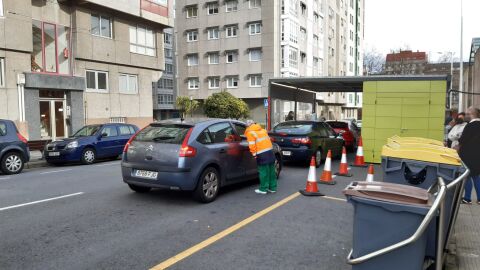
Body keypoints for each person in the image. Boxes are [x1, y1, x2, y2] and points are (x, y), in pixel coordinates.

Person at [244, 120, 277, 194]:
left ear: (248, 126)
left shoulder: (250, 133)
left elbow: (252, 145)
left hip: (261, 153)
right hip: (270, 151)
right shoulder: (263, 130)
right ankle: (272, 188)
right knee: (271, 170)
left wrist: (254, 154)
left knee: (263, 171)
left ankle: (263, 189)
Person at [459, 107, 480, 204]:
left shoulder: (469, 126)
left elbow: (462, 140)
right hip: (477, 156)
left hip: (467, 155)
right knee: (476, 176)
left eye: (467, 114)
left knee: (467, 176)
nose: (465, 116)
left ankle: (467, 198)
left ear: (471, 114)